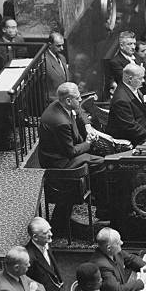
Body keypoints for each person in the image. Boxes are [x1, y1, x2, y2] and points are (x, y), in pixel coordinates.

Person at [38, 82, 106, 230]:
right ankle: (101, 206)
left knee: (100, 158)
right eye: (78, 97)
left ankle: (97, 202)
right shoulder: (60, 122)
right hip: (59, 163)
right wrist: (88, 143)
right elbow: (71, 152)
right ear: (68, 100)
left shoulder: (61, 103)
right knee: (103, 164)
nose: (80, 100)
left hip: (62, 154)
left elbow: (79, 110)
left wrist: (87, 126)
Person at [90, 227, 146, 291]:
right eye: (118, 242)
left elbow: (131, 259)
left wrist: (145, 266)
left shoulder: (114, 251)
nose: (122, 243)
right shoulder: (102, 266)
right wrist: (142, 281)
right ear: (109, 248)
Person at [44, 32, 70, 103]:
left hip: (65, 99)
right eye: (58, 46)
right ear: (50, 45)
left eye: (62, 45)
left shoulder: (62, 57)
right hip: (53, 101)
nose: (62, 48)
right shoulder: (43, 60)